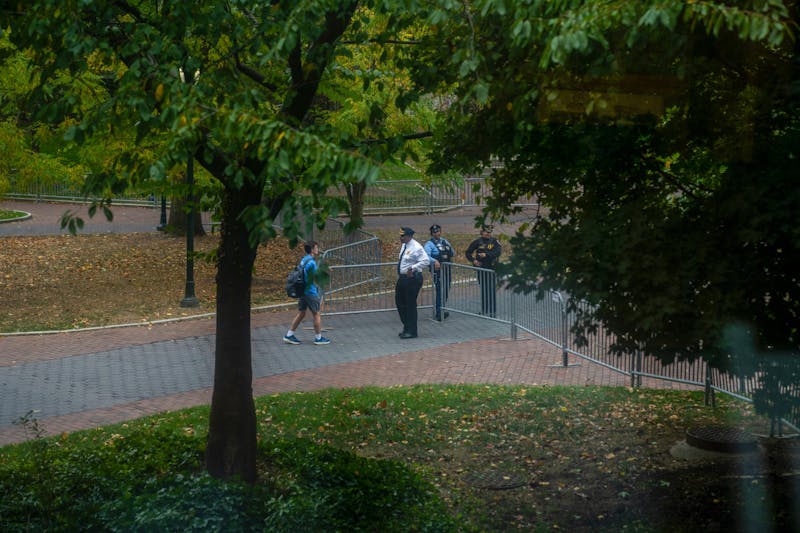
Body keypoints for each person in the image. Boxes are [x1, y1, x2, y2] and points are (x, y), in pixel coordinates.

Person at [283, 241, 331, 345]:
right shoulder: (312, 262)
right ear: (312, 249)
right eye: (316, 247)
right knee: (316, 314)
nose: (318, 249)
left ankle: (289, 335)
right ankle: (318, 338)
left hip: (302, 291)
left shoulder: (304, 260)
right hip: (310, 291)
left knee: (301, 313)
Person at [395, 226, 430, 338]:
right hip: (403, 278)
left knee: (410, 305)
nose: (401, 238)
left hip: (412, 279)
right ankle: (407, 326)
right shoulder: (405, 245)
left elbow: (426, 261)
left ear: (409, 236)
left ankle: (412, 331)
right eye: (400, 236)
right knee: (400, 302)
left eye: (403, 236)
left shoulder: (416, 247)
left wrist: (413, 268)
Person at [465, 225, 502, 317]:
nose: (488, 233)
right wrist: (474, 260)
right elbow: (468, 252)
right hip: (481, 269)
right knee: (484, 290)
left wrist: (486, 255)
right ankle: (484, 310)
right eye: (486, 232)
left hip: (492, 269)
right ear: (482, 232)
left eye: (489, 232)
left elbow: (498, 252)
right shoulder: (477, 242)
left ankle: (493, 311)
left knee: (491, 290)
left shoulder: (494, 241)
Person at [424, 224, 455, 321]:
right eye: (434, 232)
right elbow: (426, 256)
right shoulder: (429, 244)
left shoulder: (445, 241)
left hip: (447, 269)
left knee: (446, 290)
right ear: (432, 233)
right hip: (437, 271)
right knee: (440, 290)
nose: (436, 233)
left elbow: (452, 252)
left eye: (438, 231)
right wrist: (434, 261)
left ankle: (442, 308)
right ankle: (438, 312)